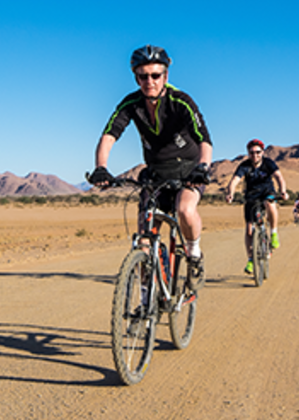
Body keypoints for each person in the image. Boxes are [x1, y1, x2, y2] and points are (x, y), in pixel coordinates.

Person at [89, 45, 212, 288]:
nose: (150, 81)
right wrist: (101, 167)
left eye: (155, 75)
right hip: (155, 174)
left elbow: (204, 140)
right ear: (136, 77)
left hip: (188, 171)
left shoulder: (181, 101)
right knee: (144, 242)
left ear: (166, 76)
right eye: (143, 76)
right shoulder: (131, 103)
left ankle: (194, 254)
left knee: (185, 210)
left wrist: (203, 168)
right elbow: (109, 136)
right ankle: (146, 303)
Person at [225, 139, 289, 275]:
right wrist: (230, 193)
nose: (255, 155)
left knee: (270, 204)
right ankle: (250, 259)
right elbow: (234, 180)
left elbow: (279, 177)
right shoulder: (244, 166)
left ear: (262, 152)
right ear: (248, 153)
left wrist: (283, 191)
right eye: (252, 152)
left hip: (267, 192)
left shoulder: (268, 163)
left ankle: (273, 233)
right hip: (251, 196)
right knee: (249, 229)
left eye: (258, 152)